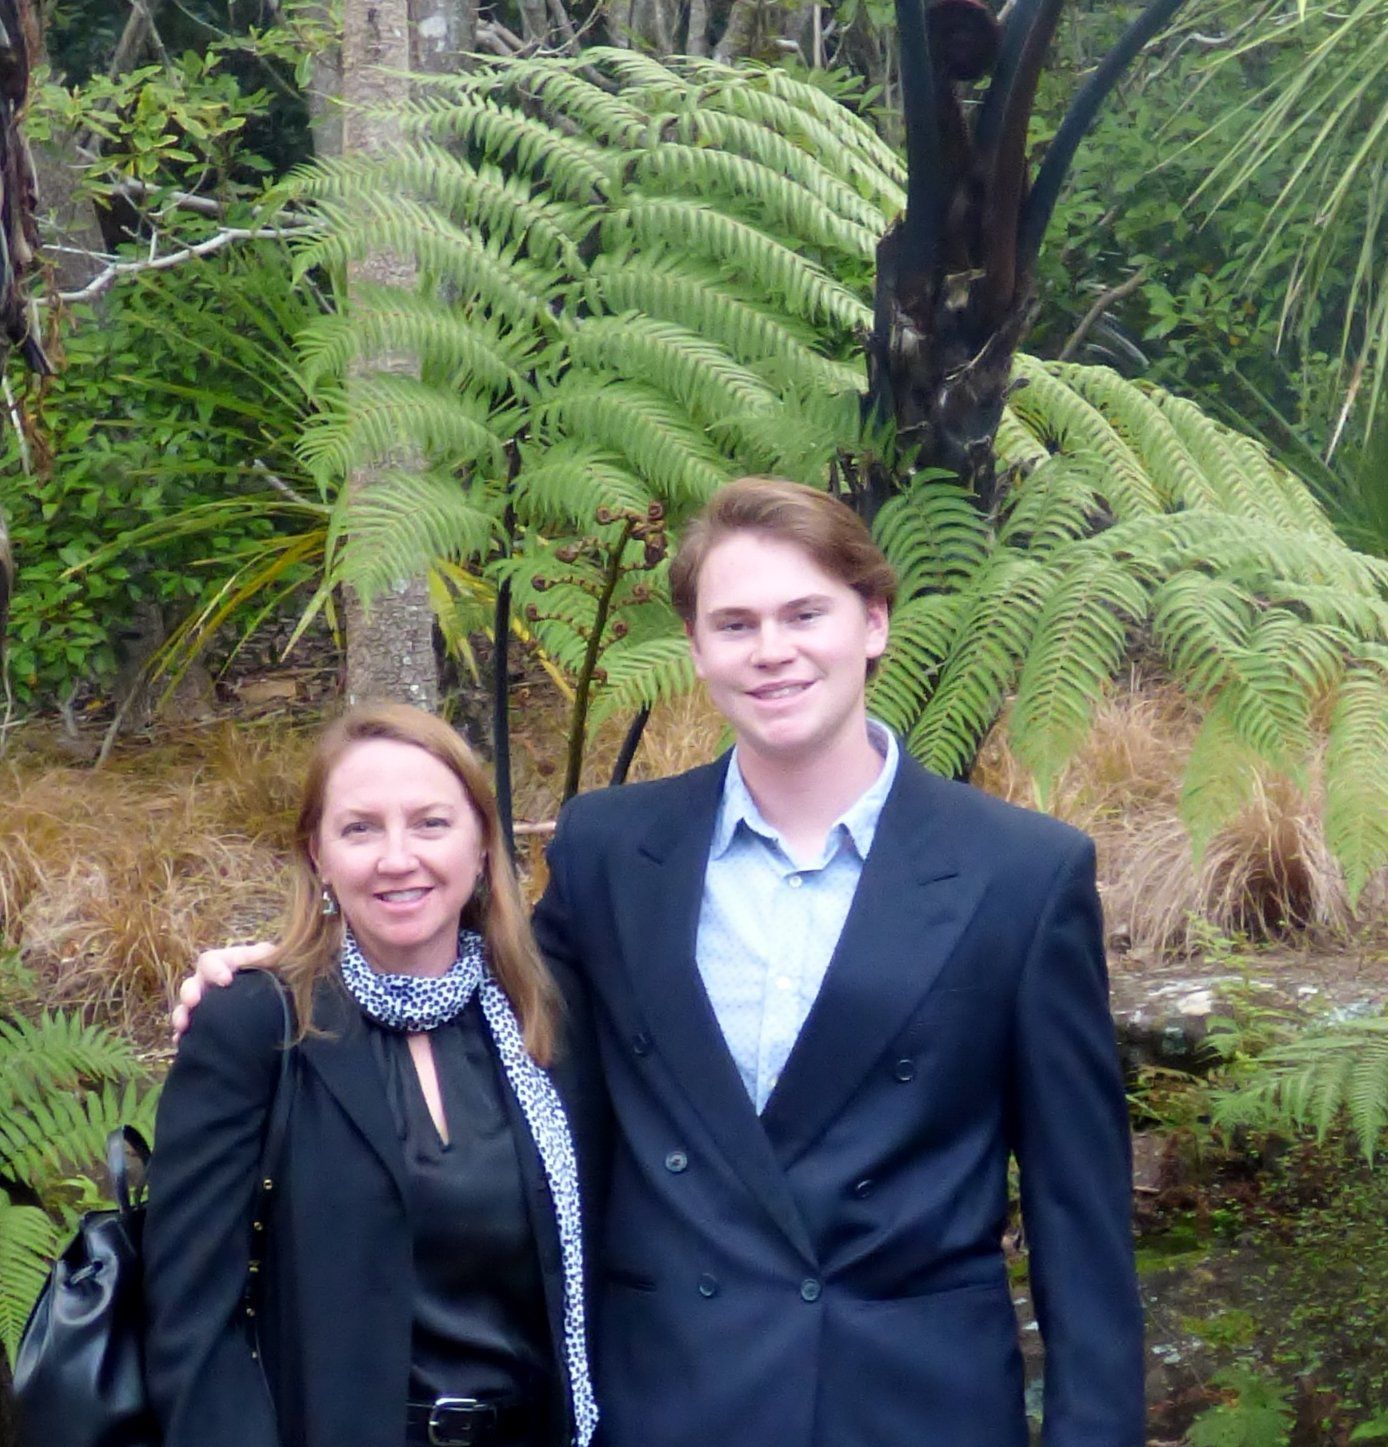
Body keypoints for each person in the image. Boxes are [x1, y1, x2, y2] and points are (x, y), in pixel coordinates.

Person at [177, 478, 1144, 1446]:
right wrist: (287, 973)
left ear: (873, 621)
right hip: (675, 1398)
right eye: (734, 623)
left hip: (914, 1406)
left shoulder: (1020, 874)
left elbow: (1079, 1225)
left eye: (804, 613)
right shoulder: (613, 854)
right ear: (695, 648)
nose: (771, 650)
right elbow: (474, 987)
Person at [145, 704, 604, 1447]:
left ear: (484, 844)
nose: (397, 857)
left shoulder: (548, 1018)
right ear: (318, 854)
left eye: (430, 823)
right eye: (360, 828)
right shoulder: (258, 1024)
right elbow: (191, 1319)